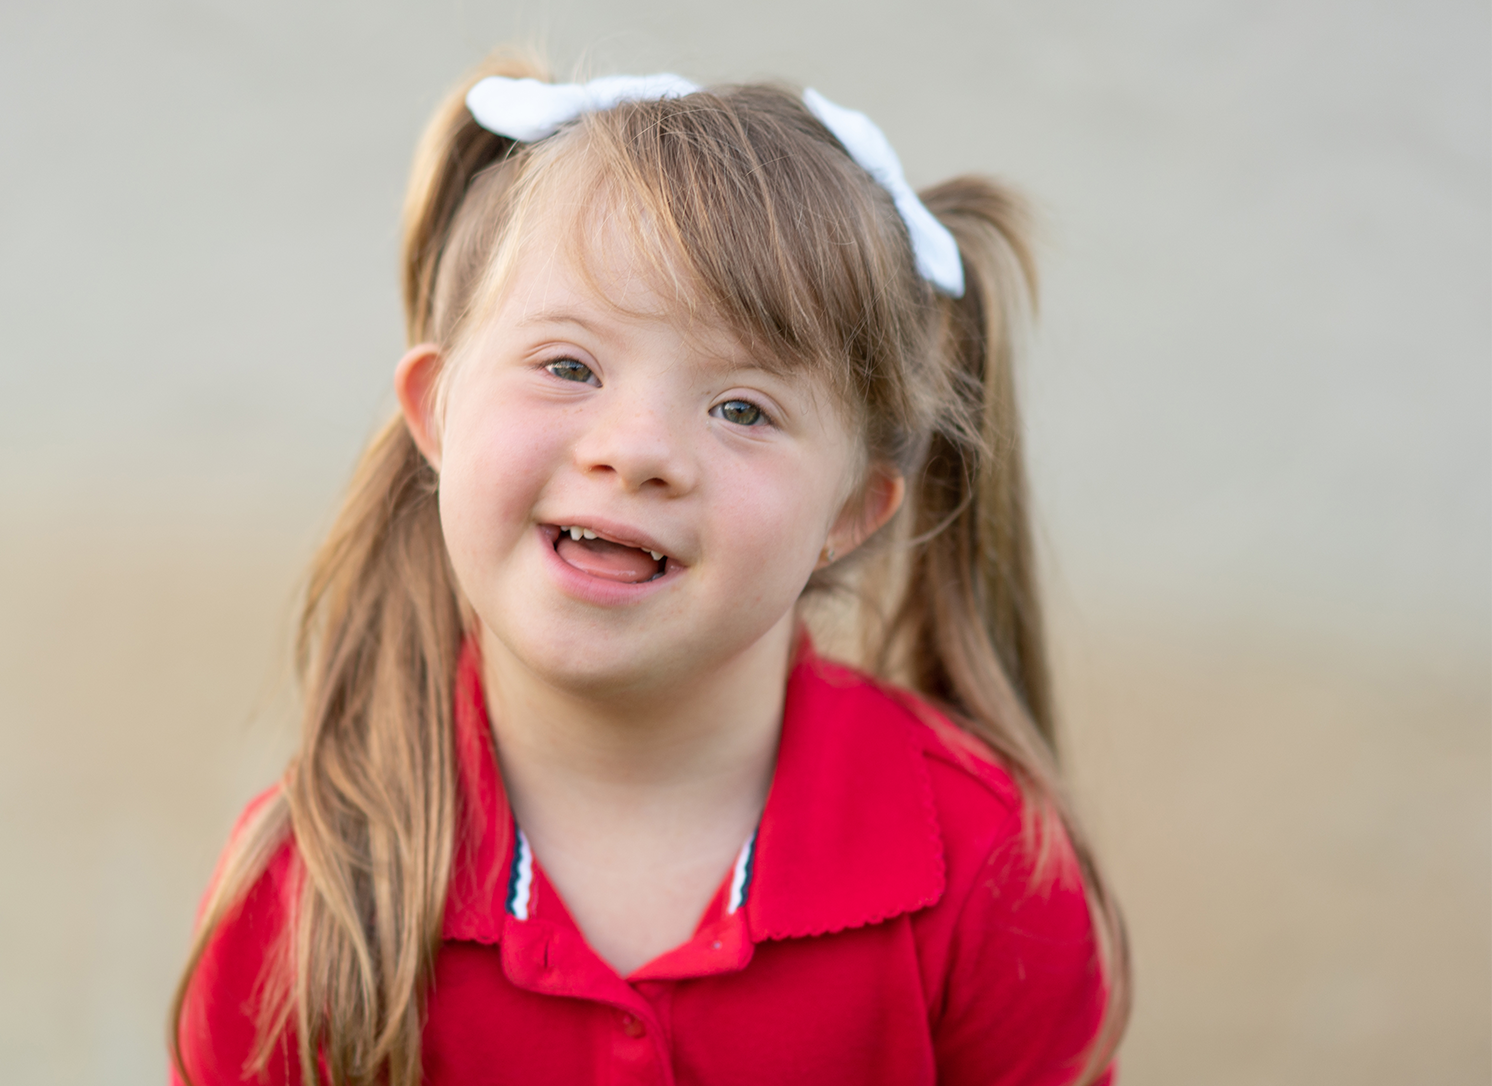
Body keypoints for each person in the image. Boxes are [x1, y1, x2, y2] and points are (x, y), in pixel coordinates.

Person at [171, 55, 1130, 1086]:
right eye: (568, 366)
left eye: (741, 410)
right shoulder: (302, 893)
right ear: (434, 411)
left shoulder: (987, 868)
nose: (634, 450)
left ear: (847, 515)